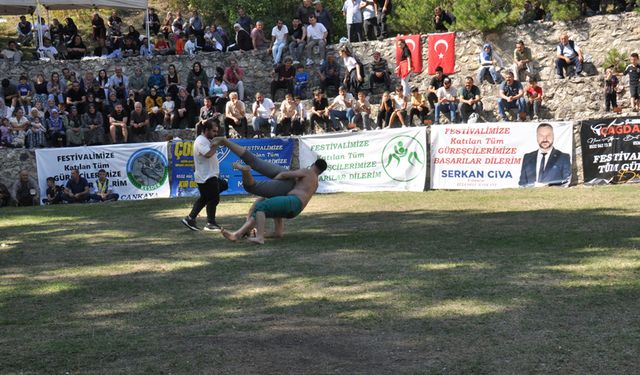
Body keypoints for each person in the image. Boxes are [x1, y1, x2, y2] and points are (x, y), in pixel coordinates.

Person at [214, 138, 328, 244]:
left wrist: (275, 181)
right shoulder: (316, 183)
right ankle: (243, 232)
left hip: (291, 195)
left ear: (313, 164)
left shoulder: (307, 172)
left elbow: (283, 175)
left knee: (258, 198)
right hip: (294, 203)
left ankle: (228, 146)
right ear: (321, 172)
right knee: (261, 202)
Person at [181, 118, 223, 232]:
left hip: (209, 175)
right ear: (206, 130)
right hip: (206, 176)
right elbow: (208, 154)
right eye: (214, 131)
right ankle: (210, 223)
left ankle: (190, 218)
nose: (216, 134)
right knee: (213, 198)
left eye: (216, 131)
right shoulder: (200, 140)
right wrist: (217, 144)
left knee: (211, 194)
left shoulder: (205, 140)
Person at [519, 123, 571, 187]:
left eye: (548, 135)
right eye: (541, 136)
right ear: (537, 137)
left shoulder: (563, 157)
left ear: (553, 136)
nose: (545, 139)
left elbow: (566, 183)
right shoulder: (527, 157)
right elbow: (522, 184)